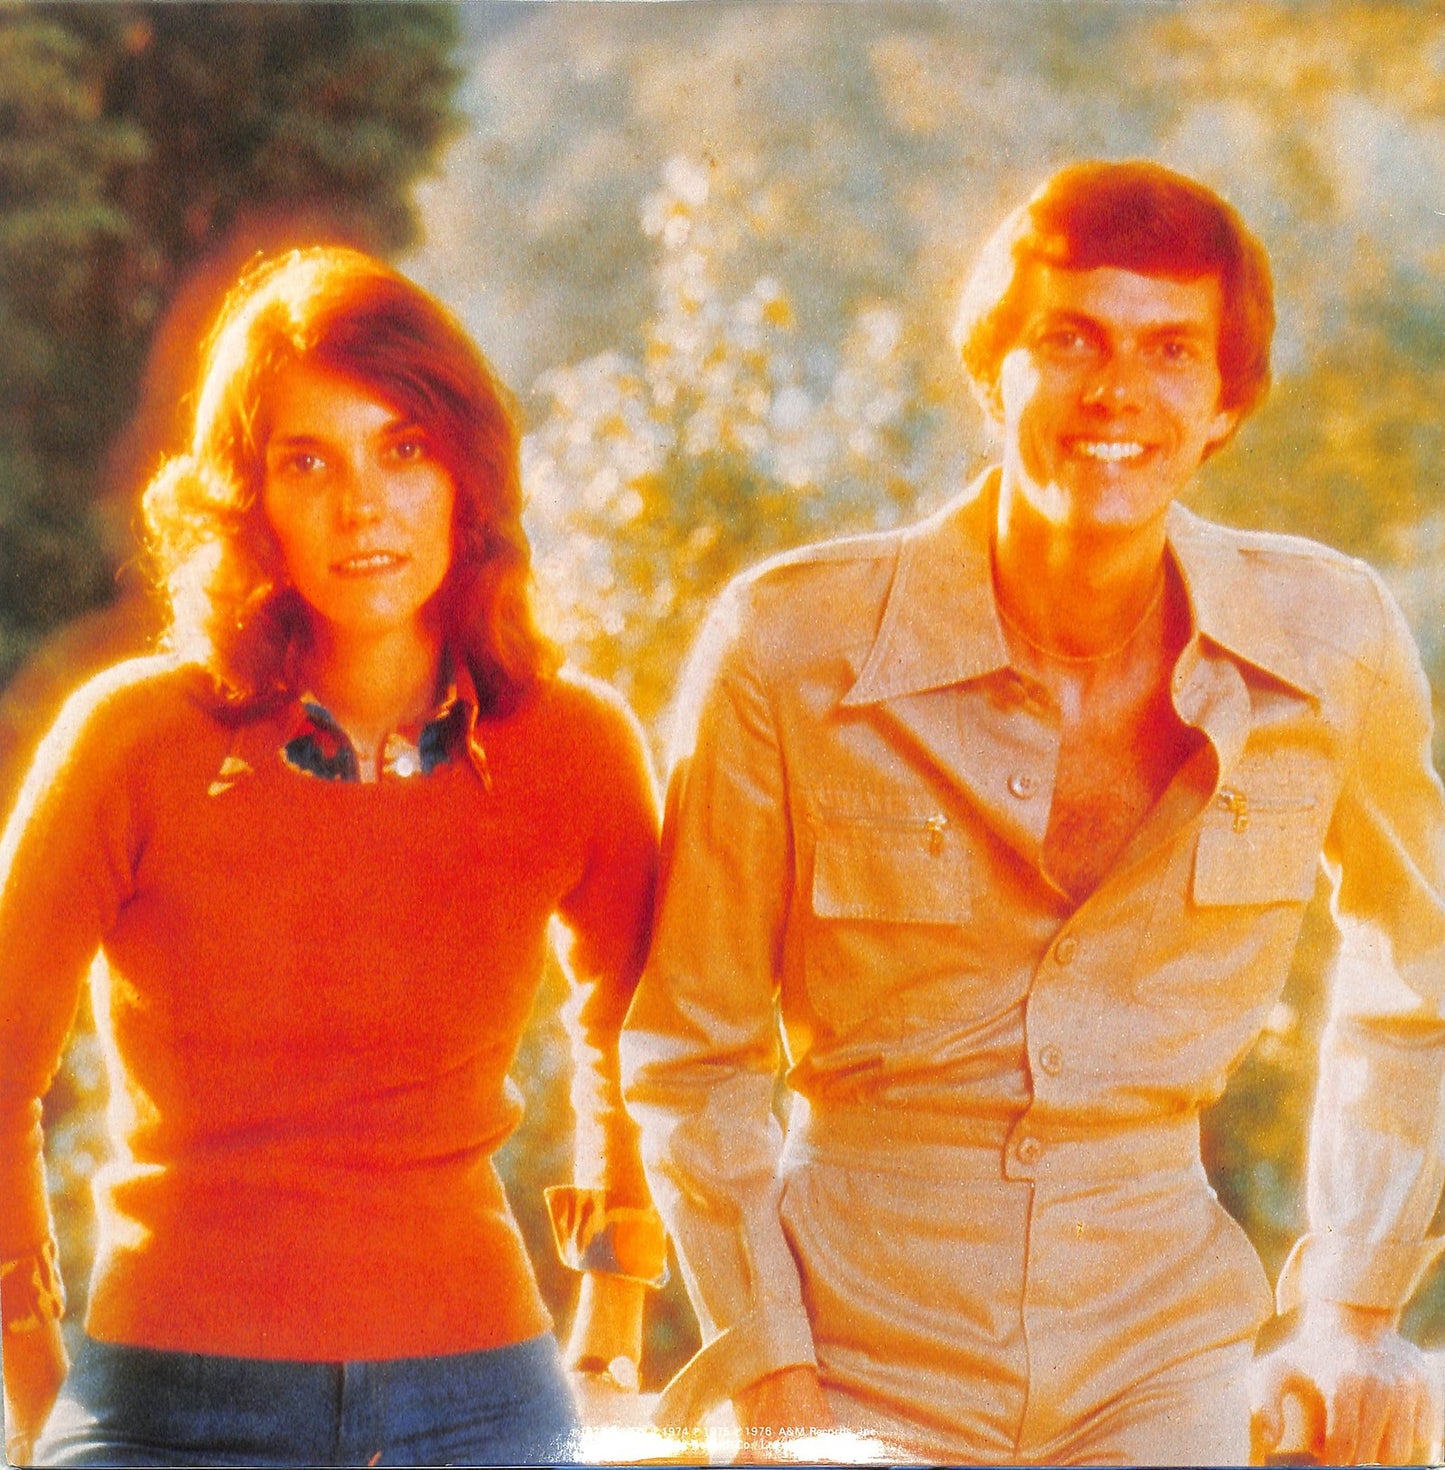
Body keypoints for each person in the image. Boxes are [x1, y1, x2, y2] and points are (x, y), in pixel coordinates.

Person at [620, 160, 1445, 1466]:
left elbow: (1420, 973)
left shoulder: (1328, 639)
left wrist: (1352, 1302)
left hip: (1164, 1354)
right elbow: (692, 1049)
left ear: (1225, 401)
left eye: (1170, 350)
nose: (1116, 391)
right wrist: (772, 1382)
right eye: (1070, 339)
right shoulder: (789, 643)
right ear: (991, 368)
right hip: (854, 1352)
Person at [0, 246, 665, 1466]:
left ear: (464, 472)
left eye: (401, 449)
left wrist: (611, 1328)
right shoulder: (133, 740)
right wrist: (34, 1375)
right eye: (308, 463)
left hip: (482, 1401)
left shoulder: (572, 746)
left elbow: (639, 1026)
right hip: (170, 1404)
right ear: (250, 499)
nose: (363, 506)